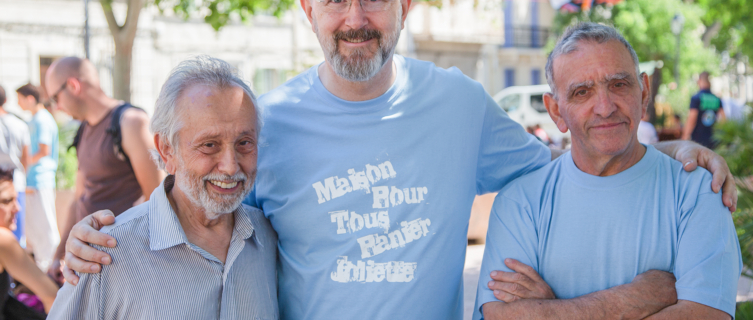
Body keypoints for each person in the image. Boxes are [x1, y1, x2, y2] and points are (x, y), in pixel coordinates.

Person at [62, 0, 738, 318]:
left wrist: (664, 145)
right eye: (334, 0)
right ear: (307, 11)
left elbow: (565, 157)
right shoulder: (267, 122)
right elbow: (206, 199)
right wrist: (105, 238)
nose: (355, 16)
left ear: (405, 7)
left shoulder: (460, 103)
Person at [476, 23, 740, 320]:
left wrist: (551, 310)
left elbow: (705, 315)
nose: (604, 107)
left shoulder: (699, 191)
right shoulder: (519, 202)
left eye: (619, 85)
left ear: (643, 93)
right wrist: (635, 299)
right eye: (581, 92)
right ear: (556, 112)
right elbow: (502, 315)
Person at [46, 56, 278, 319]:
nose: (230, 166)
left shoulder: (270, 237)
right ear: (167, 150)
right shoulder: (106, 258)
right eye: (210, 144)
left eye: (244, 142)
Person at [43, 57, 164, 283]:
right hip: (87, 266)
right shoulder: (83, 131)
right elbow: (79, 198)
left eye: (55, 98)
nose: (57, 107)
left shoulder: (130, 122)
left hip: (123, 267)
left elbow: (158, 200)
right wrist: (60, 255)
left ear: (73, 86)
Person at [0, 166, 58, 317]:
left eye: (16, 199)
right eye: (7, 201)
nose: (17, 208)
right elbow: (52, 296)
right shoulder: (2, 239)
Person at [15, 83, 59, 271]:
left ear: (30, 98)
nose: (18, 104)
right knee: (35, 230)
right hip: (33, 181)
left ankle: (52, 269)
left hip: (41, 180)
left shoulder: (42, 119)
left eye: (20, 100)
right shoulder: (35, 119)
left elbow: (44, 150)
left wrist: (24, 163)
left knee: (47, 227)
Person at [0, 85, 30, 247]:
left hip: (5, 185)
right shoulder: (20, 125)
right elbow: (26, 157)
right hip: (16, 181)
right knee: (17, 232)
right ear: (5, 100)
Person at [682, 71, 725, 149]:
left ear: (699, 81)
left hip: (698, 139)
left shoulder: (696, 98)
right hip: (713, 138)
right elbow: (723, 119)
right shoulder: (717, 98)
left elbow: (692, 118)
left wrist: (685, 136)